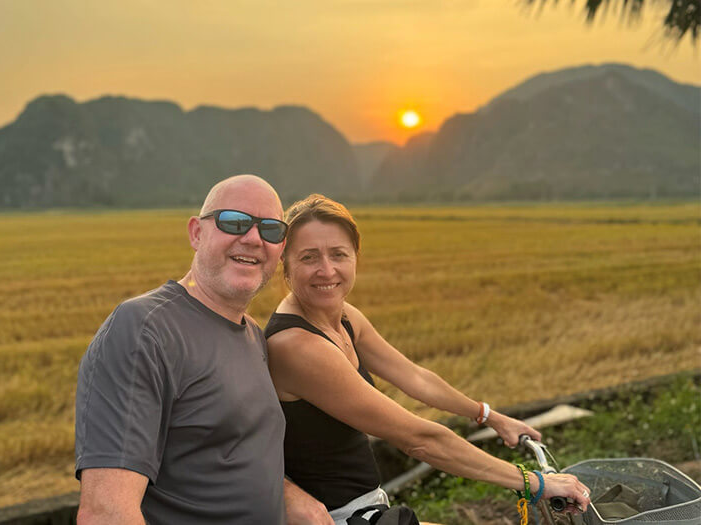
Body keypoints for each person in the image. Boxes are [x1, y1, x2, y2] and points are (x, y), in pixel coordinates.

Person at [266, 194, 592, 525]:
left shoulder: (344, 316)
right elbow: (419, 440)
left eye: (338, 254)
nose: (327, 270)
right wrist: (533, 482)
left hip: (368, 508)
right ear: (286, 265)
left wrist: (489, 416)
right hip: (333, 518)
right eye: (309, 257)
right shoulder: (297, 346)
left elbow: (416, 378)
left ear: (355, 258)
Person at [74, 175, 290, 524]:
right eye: (233, 221)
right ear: (196, 233)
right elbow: (107, 513)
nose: (253, 239)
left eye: (271, 229)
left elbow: (228, 452)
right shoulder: (145, 330)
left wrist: (291, 498)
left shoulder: (253, 335)